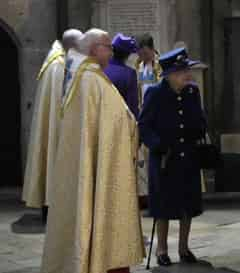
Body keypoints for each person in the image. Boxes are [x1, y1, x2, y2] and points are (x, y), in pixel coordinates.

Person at [40, 28, 145, 273]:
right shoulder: (91, 80)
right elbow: (115, 121)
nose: (110, 51)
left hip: (92, 163)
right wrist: (132, 127)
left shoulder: (86, 78)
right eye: (107, 46)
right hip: (102, 166)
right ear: (95, 48)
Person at [138, 47, 206, 266]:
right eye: (183, 71)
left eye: (187, 70)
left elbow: (200, 121)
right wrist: (158, 146)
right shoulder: (155, 93)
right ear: (170, 74)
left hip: (188, 156)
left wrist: (198, 128)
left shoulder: (192, 92)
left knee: (188, 203)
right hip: (165, 158)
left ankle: (184, 248)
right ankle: (162, 250)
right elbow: (144, 126)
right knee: (163, 206)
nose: (188, 74)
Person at [22, 29, 82, 216]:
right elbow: (60, 104)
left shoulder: (57, 60)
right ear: (73, 46)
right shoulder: (58, 65)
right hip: (59, 127)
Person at [136, 33, 162, 208]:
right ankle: (147, 195)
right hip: (143, 112)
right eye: (140, 53)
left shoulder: (159, 65)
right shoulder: (138, 65)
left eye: (145, 52)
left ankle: (157, 195)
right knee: (144, 159)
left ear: (152, 49)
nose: (142, 56)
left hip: (157, 114)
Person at [104, 33, 139, 119]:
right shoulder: (129, 74)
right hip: (120, 121)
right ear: (127, 55)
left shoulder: (101, 69)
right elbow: (132, 105)